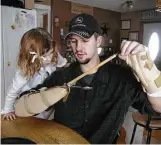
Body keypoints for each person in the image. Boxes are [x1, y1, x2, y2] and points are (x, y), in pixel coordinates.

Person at [14, 14, 161, 143]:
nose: (78, 47)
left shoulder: (122, 79)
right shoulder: (60, 76)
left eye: (85, 39)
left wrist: (149, 74)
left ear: (98, 41)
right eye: (73, 40)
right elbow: (21, 107)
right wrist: (47, 96)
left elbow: (157, 108)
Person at [2, 27, 67, 121]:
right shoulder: (25, 71)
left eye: (51, 52)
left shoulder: (53, 55)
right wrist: (8, 110)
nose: (49, 58)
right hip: (28, 102)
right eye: (45, 56)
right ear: (32, 56)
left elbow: (62, 64)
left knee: (43, 123)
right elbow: (12, 92)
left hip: (45, 100)